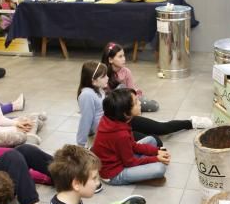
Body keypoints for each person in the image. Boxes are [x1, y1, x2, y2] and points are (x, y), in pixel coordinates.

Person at [76, 60, 211, 148]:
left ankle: (191, 122)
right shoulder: (86, 95)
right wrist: (81, 146)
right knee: (156, 142)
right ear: (93, 81)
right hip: (113, 131)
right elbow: (85, 121)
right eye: (103, 76)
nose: (107, 78)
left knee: (161, 128)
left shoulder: (98, 89)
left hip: (122, 121)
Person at [94, 88, 170, 185]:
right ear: (125, 113)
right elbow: (129, 162)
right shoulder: (121, 135)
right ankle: (140, 175)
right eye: (135, 102)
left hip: (121, 158)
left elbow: (132, 145)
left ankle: (144, 167)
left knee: (152, 140)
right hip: (114, 174)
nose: (140, 103)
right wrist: (156, 158)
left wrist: (156, 151)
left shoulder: (114, 119)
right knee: (160, 168)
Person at [101, 42, 159, 112]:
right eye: (120, 56)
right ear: (110, 60)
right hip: (111, 103)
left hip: (127, 101)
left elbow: (132, 92)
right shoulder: (103, 73)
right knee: (121, 88)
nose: (124, 59)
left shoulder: (126, 72)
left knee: (153, 105)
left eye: (123, 56)